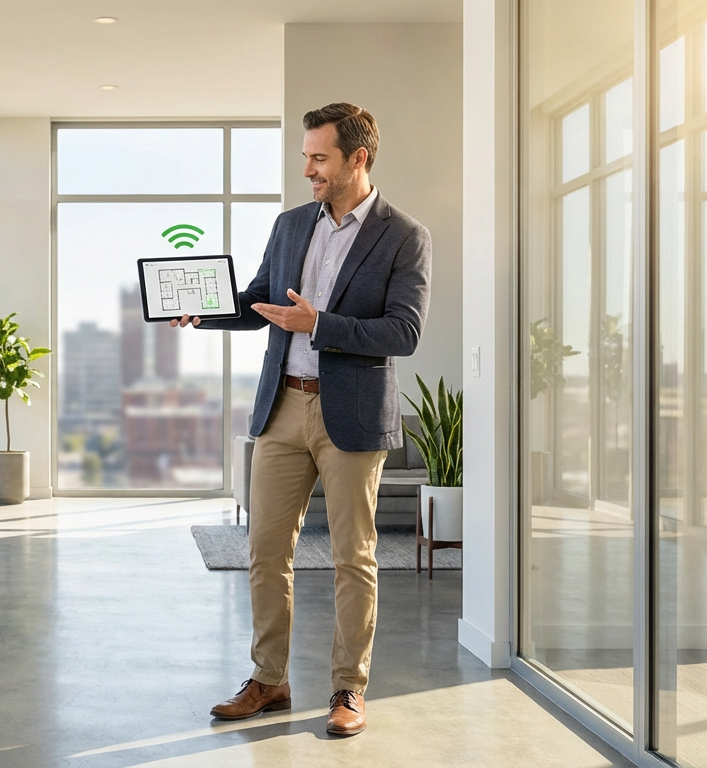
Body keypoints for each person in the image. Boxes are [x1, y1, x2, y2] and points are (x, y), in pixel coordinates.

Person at [172, 103, 431, 735]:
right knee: (265, 550)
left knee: (353, 557)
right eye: (306, 156)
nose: (308, 169)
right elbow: (259, 299)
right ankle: (269, 679)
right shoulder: (292, 226)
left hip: (351, 415)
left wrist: (320, 324)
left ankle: (348, 690)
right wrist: (199, 310)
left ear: (357, 159)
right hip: (282, 406)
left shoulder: (404, 235)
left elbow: (404, 331)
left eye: (320, 158)